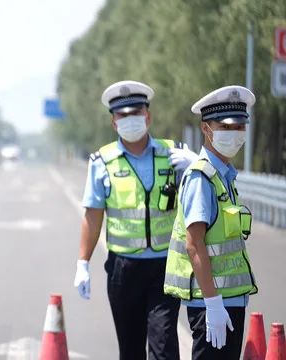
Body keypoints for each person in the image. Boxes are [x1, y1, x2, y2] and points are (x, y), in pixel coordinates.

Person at [74, 80, 198, 359]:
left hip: (165, 268)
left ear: (148, 116)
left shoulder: (173, 154)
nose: (130, 119)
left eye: (136, 112)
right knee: (130, 350)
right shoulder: (102, 162)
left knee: (164, 347)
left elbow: (199, 200)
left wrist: (196, 167)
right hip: (123, 269)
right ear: (113, 122)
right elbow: (92, 217)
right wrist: (83, 263)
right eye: (123, 115)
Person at [164, 85, 258, 359]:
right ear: (207, 129)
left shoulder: (223, 177)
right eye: (226, 127)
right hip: (213, 304)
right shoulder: (200, 179)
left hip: (228, 301)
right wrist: (214, 304)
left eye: (240, 126)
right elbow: (195, 245)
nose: (235, 133)